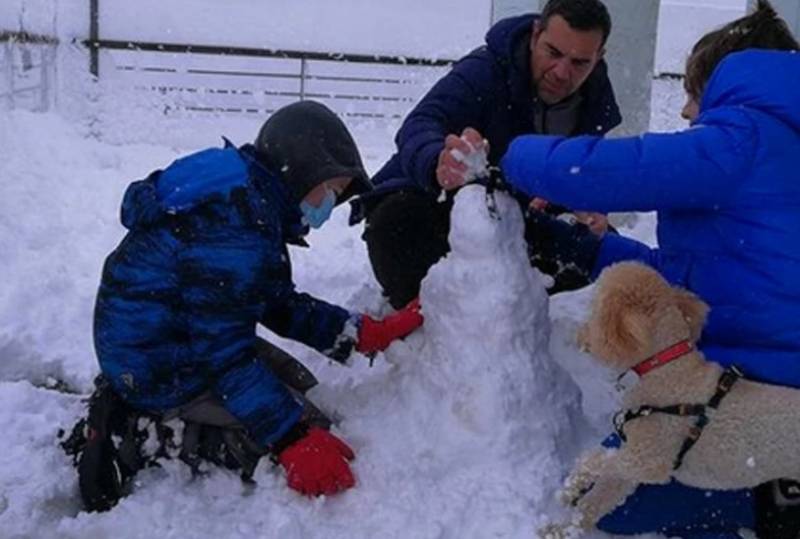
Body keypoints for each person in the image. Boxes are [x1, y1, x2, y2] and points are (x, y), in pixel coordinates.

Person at [500, 2, 800, 537]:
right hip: (767, 385)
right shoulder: (782, 143)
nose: (686, 113)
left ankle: (767, 502)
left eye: (692, 94)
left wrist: (510, 152)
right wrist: (593, 251)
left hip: (750, 394)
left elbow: (607, 172)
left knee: (603, 503)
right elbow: (701, 274)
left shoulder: (743, 138)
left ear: (722, 82)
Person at [88, 101, 424, 504]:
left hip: (173, 336)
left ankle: (154, 405)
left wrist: (359, 333)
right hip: (157, 361)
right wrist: (289, 437)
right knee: (296, 428)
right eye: (331, 190)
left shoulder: (251, 203)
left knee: (299, 383)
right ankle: (139, 430)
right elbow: (225, 354)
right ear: (302, 168)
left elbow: (275, 303)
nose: (328, 207)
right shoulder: (236, 228)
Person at [355, 0, 621, 309]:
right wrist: (439, 160)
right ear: (535, 35)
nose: (562, 72)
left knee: (600, 252)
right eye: (554, 53)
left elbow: (581, 178)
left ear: (599, 58)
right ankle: (432, 322)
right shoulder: (485, 71)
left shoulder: (594, 103)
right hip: (437, 203)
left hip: (522, 220)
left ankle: (531, 320)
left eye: (579, 63)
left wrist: (586, 210)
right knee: (397, 221)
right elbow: (420, 123)